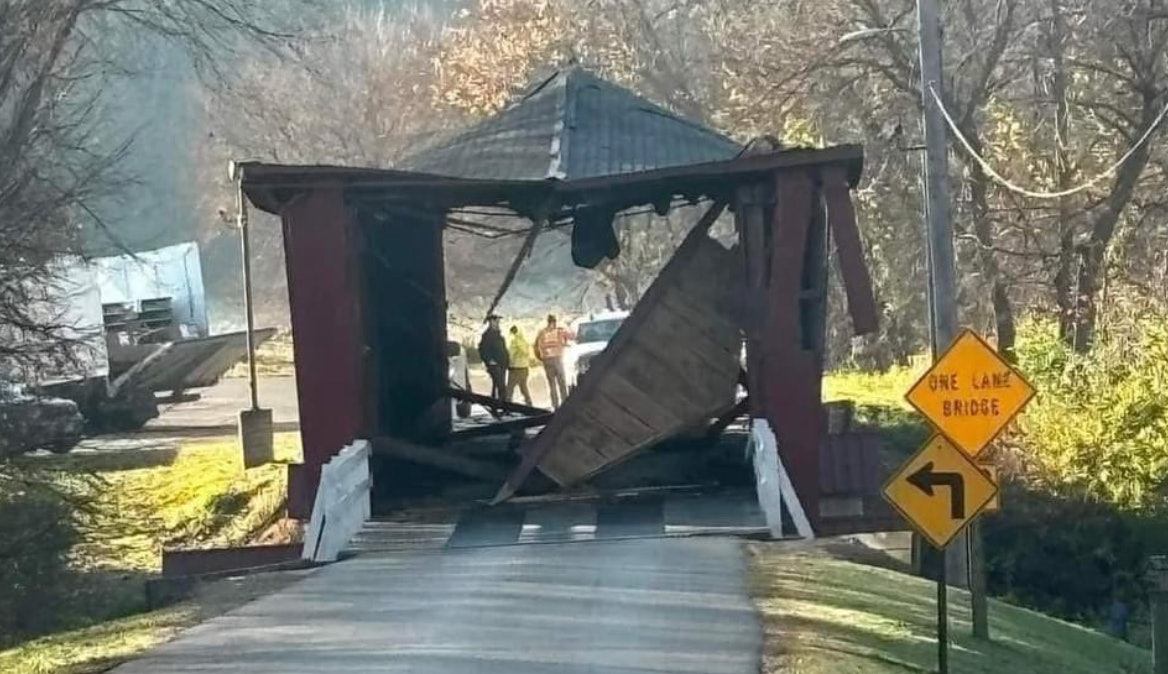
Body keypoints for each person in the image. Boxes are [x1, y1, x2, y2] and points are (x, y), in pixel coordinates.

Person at [534, 314, 572, 409]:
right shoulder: (559, 330)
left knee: (552, 384)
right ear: (554, 322)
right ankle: (565, 403)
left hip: (547, 360)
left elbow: (535, 346)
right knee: (561, 383)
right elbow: (571, 337)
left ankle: (555, 405)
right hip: (557, 359)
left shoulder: (541, 332)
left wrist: (541, 358)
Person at [477, 314, 508, 414]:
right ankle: (504, 407)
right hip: (494, 364)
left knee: (497, 385)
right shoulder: (487, 335)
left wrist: (506, 361)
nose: (498, 323)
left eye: (498, 321)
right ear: (491, 322)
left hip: (501, 364)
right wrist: (489, 360)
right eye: (496, 321)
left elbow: (503, 349)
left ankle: (495, 406)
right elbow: (483, 349)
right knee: (501, 386)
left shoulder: (498, 334)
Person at [506, 325, 534, 406]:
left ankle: (507, 406)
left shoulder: (514, 341)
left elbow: (511, 355)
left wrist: (507, 363)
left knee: (509, 388)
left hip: (515, 368)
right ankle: (529, 403)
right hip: (525, 368)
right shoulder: (525, 341)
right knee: (523, 387)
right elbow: (527, 353)